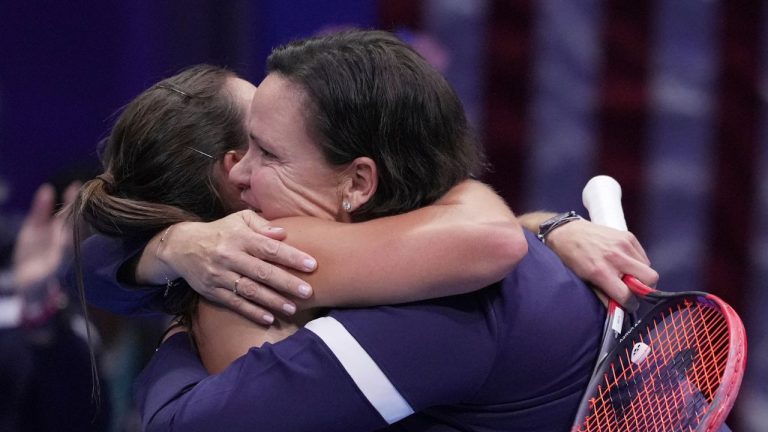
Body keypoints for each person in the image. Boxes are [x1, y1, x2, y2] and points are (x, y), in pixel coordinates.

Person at [104, 30, 661, 430]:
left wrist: (181, 327)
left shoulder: (420, 318)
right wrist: (547, 225)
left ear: (357, 183)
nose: (242, 175)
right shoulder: (433, 240)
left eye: (267, 154)